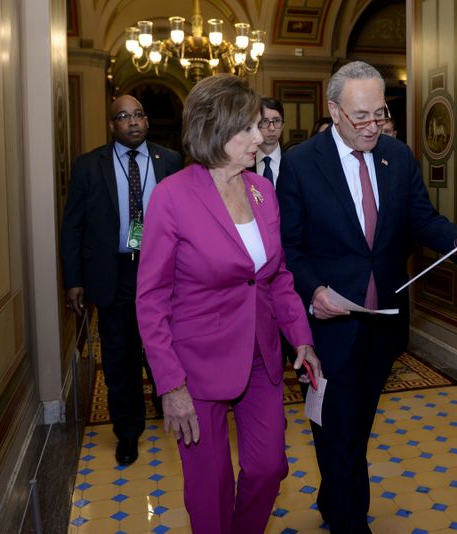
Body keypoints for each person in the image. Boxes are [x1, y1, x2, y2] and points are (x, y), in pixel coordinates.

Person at [277, 61, 457, 533]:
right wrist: (314, 290)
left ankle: (335, 499)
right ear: (333, 111)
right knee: (338, 432)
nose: (374, 126)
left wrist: (455, 241)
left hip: (383, 323)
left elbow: (420, 217)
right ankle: (351, 520)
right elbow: (289, 246)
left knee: (354, 429)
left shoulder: (397, 156)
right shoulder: (301, 162)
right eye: (361, 117)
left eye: (380, 113)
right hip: (328, 325)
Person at [136, 74, 322, 534]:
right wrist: (170, 385)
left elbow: (276, 276)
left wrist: (301, 338)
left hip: (260, 356)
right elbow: (151, 299)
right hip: (195, 367)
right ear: (215, 131)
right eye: (249, 128)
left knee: (268, 468)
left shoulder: (262, 192)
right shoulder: (172, 197)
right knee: (209, 484)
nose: (261, 137)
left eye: (260, 126)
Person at [61, 95, 182, 466]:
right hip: (113, 273)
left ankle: (169, 404)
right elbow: (73, 227)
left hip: (161, 271)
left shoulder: (170, 161)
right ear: (112, 124)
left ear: (147, 120)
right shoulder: (88, 166)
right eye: (123, 117)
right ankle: (128, 432)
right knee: (119, 356)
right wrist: (73, 279)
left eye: (138, 115)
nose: (132, 122)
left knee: (164, 345)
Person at [256, 97, 284, 187]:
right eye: (265, 121)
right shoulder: (243, 164)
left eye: (276, 121)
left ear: (283, 125)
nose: (271, 128)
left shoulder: (294, 163)